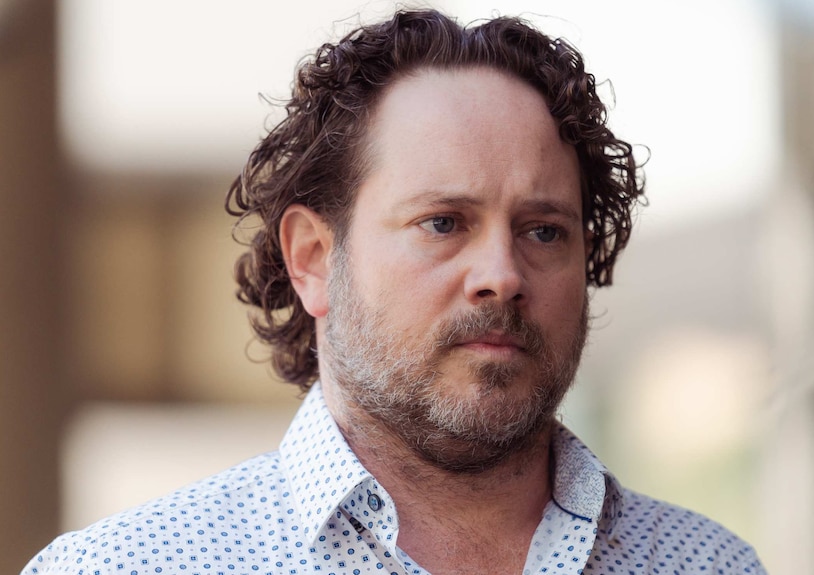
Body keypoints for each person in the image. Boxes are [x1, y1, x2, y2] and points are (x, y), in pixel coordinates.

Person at [22, 9, 766, 575]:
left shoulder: (711, 564)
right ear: (313, 258)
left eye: (543, 230)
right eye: (444, 222)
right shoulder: (127, 567)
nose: (501, 273)